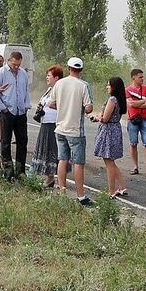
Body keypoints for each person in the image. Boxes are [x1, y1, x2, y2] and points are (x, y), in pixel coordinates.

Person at [50, 57, 94, 206]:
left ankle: (62, 190)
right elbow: (88, 108)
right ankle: (80, 195)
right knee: (78, 163)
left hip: (60, 127)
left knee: (62, 160)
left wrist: (62, 107)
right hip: (75, 130)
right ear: (80, 70)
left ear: (68, 68)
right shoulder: (83, 85)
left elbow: (51, 103)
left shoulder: (59, 84)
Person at [0, 51, 30, 179]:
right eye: (14, 64)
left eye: (18, 64)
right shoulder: (1, 73)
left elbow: (26, 91)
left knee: (22, 141)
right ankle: (8, 171)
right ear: (8, 61)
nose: (16, 67)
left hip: (20, 112)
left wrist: (26, 106)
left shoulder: (23, 73)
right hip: (7, 112)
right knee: (6, 141)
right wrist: (3, 109)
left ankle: (20, 171)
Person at [91, 77, 128, 197]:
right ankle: (122, 186)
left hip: (108, 131)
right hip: (115, 129)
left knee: (108, 162)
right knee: (111, 161)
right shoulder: (120, 100)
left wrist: (97, 118)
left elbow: (105, 119)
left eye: (109, 85)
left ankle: (111, 191)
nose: (107, 87)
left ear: (114, 87)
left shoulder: (112, 99)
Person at [29, 65, 62, 187]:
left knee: (52, 150)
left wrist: (50, 105)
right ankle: (49, 177)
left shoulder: (59, 90)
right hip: (45, 122)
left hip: (53, 123)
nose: (47, 78)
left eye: (49, 76)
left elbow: (62, 106)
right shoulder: (49, 89)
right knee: (46, 150)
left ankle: (57, 178)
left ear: (56, 78)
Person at [125, 68, 146, 176]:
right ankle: (135, 167)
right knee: (133, 143)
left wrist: (138, 103)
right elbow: (131, 104)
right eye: (140, 77)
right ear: (133, 77)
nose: (142, 79)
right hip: (133, 119)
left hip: (144, 118)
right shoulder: (127, 90)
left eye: (142, 77)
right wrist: (143, 101)